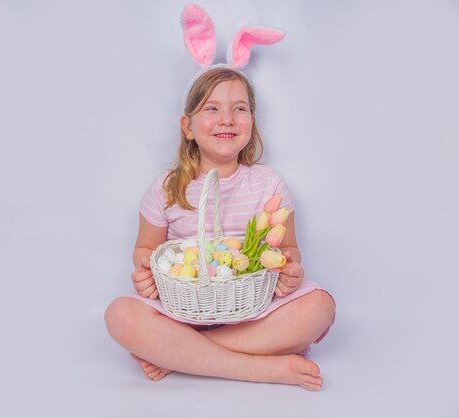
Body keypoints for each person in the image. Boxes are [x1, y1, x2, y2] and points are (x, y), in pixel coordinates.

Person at [104, 66, 336, 391]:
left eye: (239, 109)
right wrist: (146, 272)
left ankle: (181, 355)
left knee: (319, 306)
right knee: (121, 315)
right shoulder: (167, 188)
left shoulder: (268, 184)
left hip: (254, 308)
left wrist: (289, 269)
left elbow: (289, 249)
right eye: (212, 108)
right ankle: (258, 367)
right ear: (188, 127)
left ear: (251, 122)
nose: (227, 119)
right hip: (183, 312)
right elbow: (145, 249)